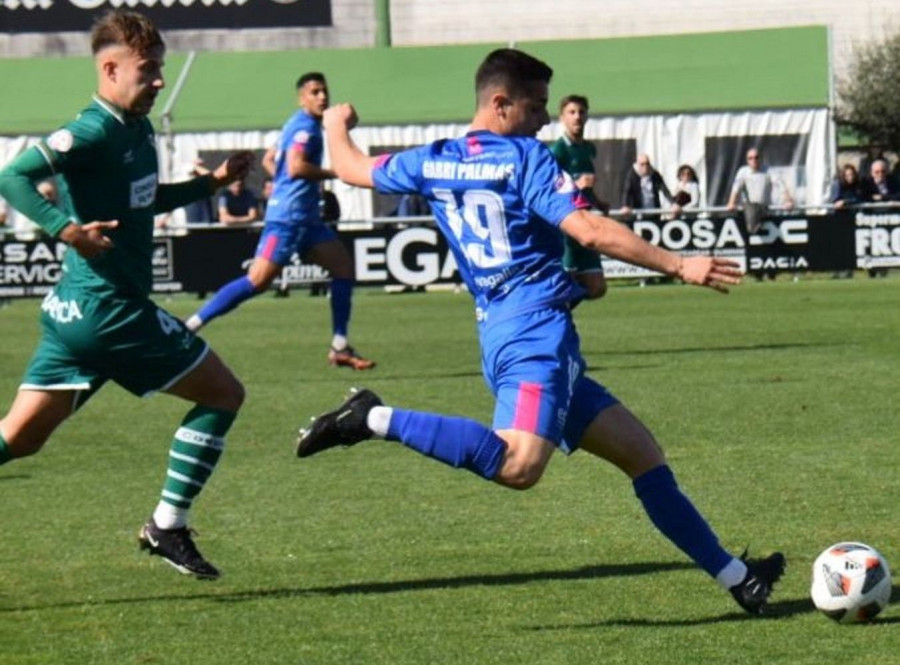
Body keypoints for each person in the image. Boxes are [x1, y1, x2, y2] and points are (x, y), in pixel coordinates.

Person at [296, 48, 785, 615]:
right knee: (518, 466)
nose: (544, 120)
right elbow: (591, 229)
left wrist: (334, 124)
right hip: (533, 338)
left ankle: (737, 578)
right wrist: (679, 264)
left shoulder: (433, 158)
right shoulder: (524, 158)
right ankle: (371, 417)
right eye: (536, 107)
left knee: (643, 455)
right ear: (500, 104)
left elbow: (352, 168)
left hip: (514, 331)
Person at [0, 9, 253, 580]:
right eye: (149, 69)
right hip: (113, 312)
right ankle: (167, 523)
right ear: (111, 68)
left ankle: (167, 526)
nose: (159, 79)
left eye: (160, 68)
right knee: (223, 395)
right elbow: (11, 176)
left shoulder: (136, 129)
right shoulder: (90, 129)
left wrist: (207, 185)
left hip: (76, 315)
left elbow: (144, 199)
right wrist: (67, 229)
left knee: (18, 438)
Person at [185, 72, 375, 370]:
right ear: (302, 97)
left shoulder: (294, 123)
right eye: (315, 92)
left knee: (343, 268)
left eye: (325, 91)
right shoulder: (306, 129)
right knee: (257, 281)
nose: (322, 97)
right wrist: (335, 173)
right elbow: (297, 167)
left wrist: (285, 182)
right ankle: (188, 328)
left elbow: (270, 159)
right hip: (288, 218)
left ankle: (340, 346)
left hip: (306, 217)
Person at [550, 94, 607, 300]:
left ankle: (555, 308)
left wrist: (598, 201)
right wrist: (576, 184)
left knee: (597, 286)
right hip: (568, 225)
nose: (577, 117)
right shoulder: (558, 150)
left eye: (581, 112)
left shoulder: (587, 148)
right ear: (562, 118)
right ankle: (552, 317)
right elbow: (550, 186)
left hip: (586, 221)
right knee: (566, 283)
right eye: (571, 112)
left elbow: (586, 187)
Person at [726, 147, 795, 232]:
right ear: (747, 160)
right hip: (749, 214)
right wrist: (731, 203)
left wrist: (788, 200)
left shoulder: (768, 170)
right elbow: (736, 188)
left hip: (765, 212)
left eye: (756, 157)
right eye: (750, 158)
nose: (753, 160)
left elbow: (781, 185)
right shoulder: (743, 172)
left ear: (760, 158)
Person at [859, 159, 898, 278]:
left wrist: (882, 197)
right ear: (872, 173)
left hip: (892, 219)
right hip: (872, 220)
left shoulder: (893, 182)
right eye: (877, 172)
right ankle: (873, 269)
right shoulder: (866, 183)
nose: (880, 174)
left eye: (883, 171)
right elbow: (863, 197)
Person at [621, 154, 682, 219]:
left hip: (654, 211)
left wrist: (673, 203)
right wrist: (625, 205)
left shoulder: (654, 174)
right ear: (638, 164)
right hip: (639, 213)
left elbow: (664, 189)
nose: (645, 167)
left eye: (647, 164)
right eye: (642, 164)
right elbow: (627, 191)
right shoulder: (632, 175)